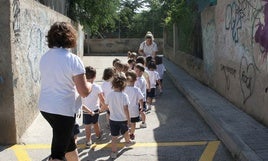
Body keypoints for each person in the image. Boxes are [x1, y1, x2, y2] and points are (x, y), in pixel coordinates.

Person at [39, 22, 92, 161]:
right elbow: (84, 92)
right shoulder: (73, 60)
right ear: (70, 37)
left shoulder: (45, 57)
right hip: (62, 111)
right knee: (58, 154)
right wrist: (90, 84)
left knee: (67, 143)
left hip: (46, 108)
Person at [104, 73, 134, 159]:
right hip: (123, 119)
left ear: (113, 84)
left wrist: (102, 110)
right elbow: (126, 109)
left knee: (114, 138)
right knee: (125, 132)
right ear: (124, 85)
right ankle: (128, 142)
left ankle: (114, 152)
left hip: (113, 120)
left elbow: (106, 105)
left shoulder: (110, 95)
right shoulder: (124, 96)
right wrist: (129, 120)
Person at [82, 66, 106, 147]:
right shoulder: (97, 87)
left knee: (87, 126)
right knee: (95, 123)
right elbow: (102, 100)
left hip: (85, 110)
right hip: (95, 110)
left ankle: (88, 141)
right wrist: (103, 108)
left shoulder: (82, 86)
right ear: (95, 76)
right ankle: (98, 135)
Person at [124, 70, 144, 140]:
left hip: (125, 110)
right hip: (134, 110)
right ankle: (131, 133)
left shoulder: (123, 89)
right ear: (135, 80)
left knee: (125, 123)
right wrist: (141, 106)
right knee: (133, 124)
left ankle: (126, 134)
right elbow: (141, 99)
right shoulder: (136, 89)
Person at [134, 63, 147, 128]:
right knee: (141, 110)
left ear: (141, 72)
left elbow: (136, 90)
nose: (135, 72)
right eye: (135, 70)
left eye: (136, 71)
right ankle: (143, 121)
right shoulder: (141, 78)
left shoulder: (139, 80)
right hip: (142, 98)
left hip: (140, 99)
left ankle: (144, 122)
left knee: (142, 110)